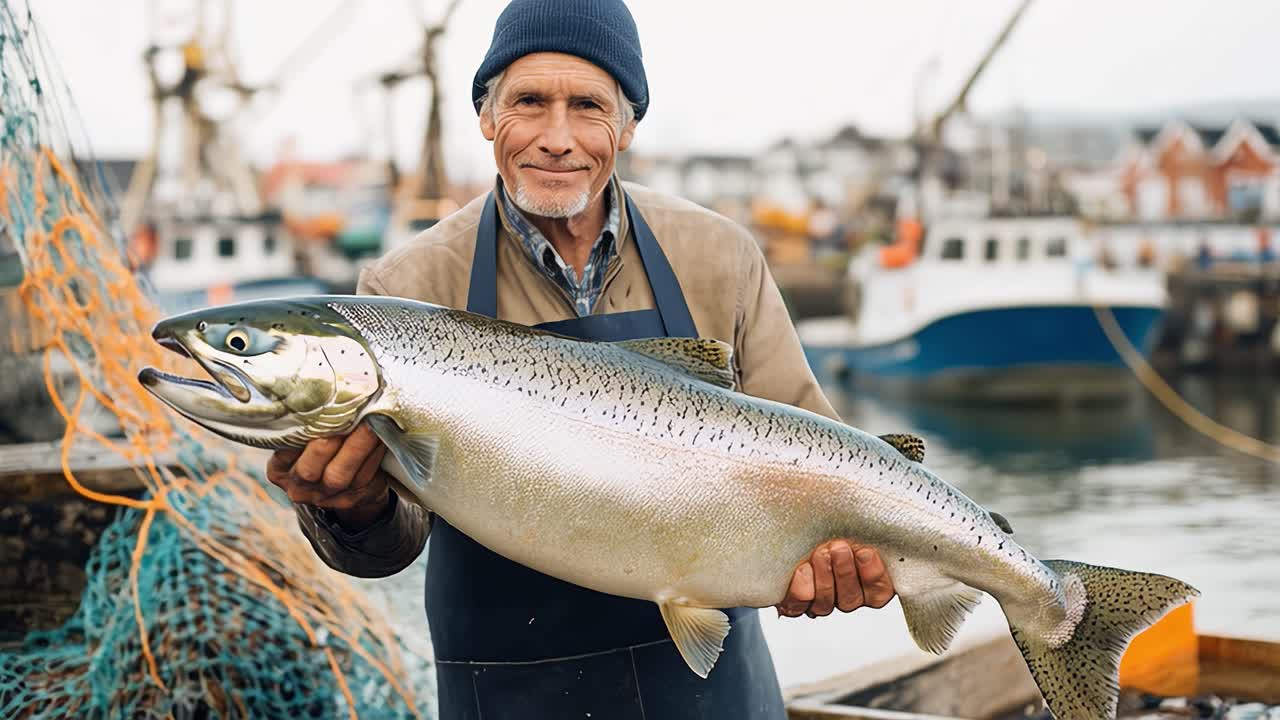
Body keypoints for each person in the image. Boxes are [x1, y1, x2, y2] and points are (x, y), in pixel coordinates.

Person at [267, 1, 897, 716]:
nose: (557, 138)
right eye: (530, 102)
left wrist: (840, 553)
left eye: (588, 105)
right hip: (510, 692)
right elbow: (388, 546)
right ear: (486, 117)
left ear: (626, 126)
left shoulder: (717, 256)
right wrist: (351, 511)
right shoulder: (406, 286)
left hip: (710, 688)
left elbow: (815, 457)